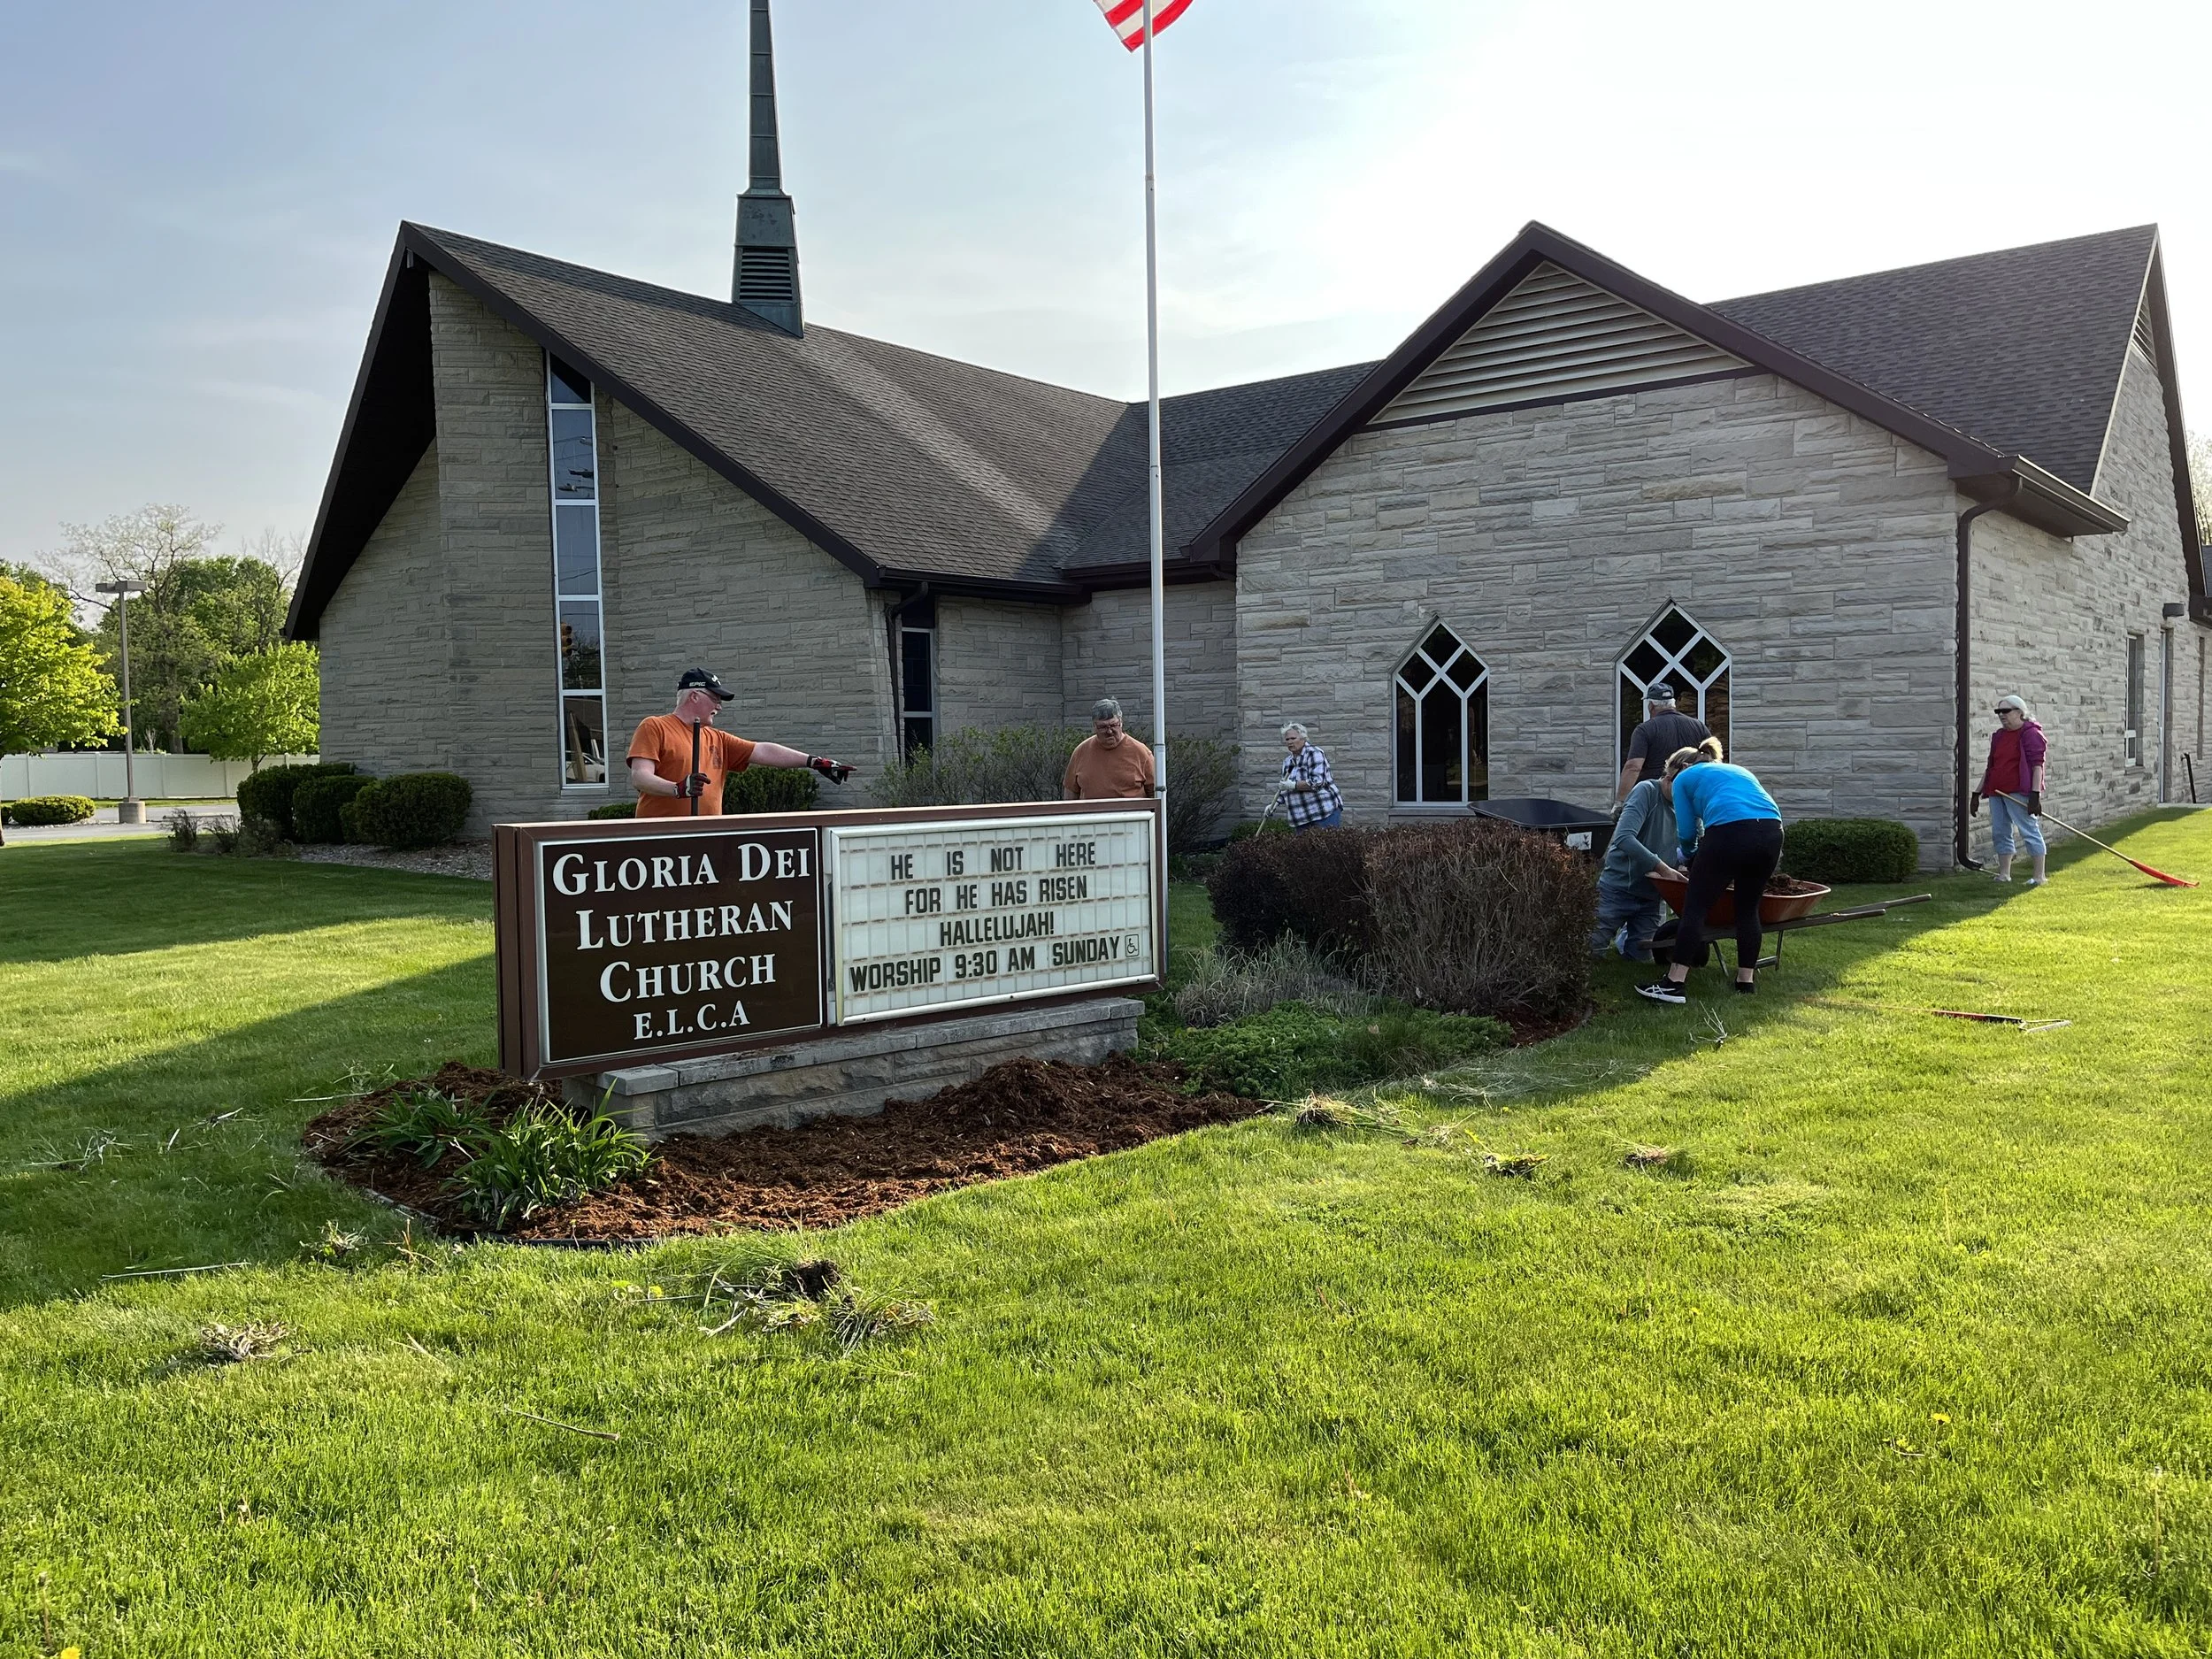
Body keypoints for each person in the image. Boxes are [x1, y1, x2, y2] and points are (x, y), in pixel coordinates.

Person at [1636, 738, 1782, 1003]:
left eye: (1668, 775)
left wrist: (1690, 856)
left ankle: (1674, 983)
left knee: (1696, 908)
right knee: (1748, 906)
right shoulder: (1736, 769)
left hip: (1731, 832)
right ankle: (1745, 981)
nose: (1668, 781)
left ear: (1679, 768)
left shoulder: (1683, 779)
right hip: (1772, 831)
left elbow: (1688, 832)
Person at [626, 668, 852, 818]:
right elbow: (640, 777)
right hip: (660, 840)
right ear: (694, 696)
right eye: (715, 698)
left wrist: (814, 762)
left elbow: (762, 750)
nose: (719, 706)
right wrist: (677, 788)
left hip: (707, 838)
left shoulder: (717, 738)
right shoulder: (655, 726)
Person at [1591, 771, 1684, 963]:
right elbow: (1624, 837)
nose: (1687, 796)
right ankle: (1620, 932)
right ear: (1669, 777)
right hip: (1619, 888)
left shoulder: (1687, 805)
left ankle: (1625, 936)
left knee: (1641, 960)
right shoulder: (1647, 791)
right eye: (1682, 789)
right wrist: (1663, 868)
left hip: (1652, 897)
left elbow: (1694, 843)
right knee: (1589, 952)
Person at [1970, 693, 2047, 886]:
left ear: (2019, 712)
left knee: (2029, 830)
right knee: (2000, 831)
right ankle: (2004, 874)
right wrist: (1977, 792)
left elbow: (2037, 765)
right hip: (1997, 790)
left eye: (2005, 711)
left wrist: (2034, 795)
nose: (2001, 715)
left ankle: (2039, 877)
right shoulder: (1999, 736)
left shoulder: (2031, 733)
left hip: (2018, 792)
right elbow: (1992, 766)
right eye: (1998, 712)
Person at [1615, 683, 1711, 806]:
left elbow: (1633, 767)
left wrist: (1621, 802)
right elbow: (1712, 759)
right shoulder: (1698, 726)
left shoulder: (1645, 729)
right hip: (1691, 793)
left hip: (1655, 796)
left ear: (1651, 705)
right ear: (1673, 703)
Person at [1063, 697, 1156, 801]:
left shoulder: (1142, 753)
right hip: (1091, 815)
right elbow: (1070, 793)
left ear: (1121, 722)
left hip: (1131, 815)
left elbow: (1155, 794)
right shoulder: (1080, 752)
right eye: (1103, 727)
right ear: (1094, 726)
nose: (1109, 731)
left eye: (1113, 725)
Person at [1277, 723, 1344, 833]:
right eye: (1287, 739)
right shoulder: (1288, 761)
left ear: (1303, 738)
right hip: (1301, 817)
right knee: (1303, 849)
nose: (1290, 742)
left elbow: (1317, 782)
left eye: (1293, 738)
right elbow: (1285, 786)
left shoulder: (1314, 753)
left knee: (1326, 847)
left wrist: (1293, 785)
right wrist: (1275, 803)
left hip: (1323, 812)